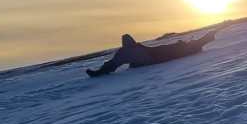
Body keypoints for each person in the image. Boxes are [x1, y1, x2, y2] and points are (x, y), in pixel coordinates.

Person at [86, 30, 217, 77]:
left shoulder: (124, 52)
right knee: (179, 50)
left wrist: (99, 72)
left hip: (155, 55)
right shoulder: (125, 52)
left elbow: (112, 64)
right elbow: (112, 64)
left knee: (178, 49)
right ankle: (205, 39)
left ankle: (204, 39)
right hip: (155, 56)